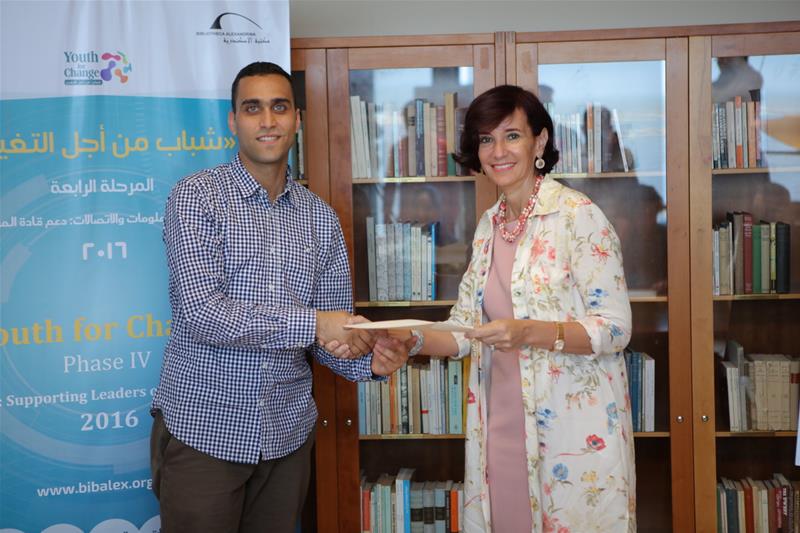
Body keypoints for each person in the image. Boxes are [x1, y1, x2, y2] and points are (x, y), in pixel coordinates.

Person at [149, 61, 410, 533]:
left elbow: (329, 336)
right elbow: (203, 313)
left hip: (287, 436)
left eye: (279, 107)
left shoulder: (320, 218)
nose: (267, 120)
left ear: (297, 119)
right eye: (253, 109)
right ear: (233, 121)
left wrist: (369, 362)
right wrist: (318, 323)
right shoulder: (196, 198)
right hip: (205, 431)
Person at [394, 85, 634, 532]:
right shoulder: (489, 225)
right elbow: (464, 329)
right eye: (486, 139)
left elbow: (616, 328)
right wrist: (409, 339)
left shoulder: (577, 215)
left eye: (512, 136)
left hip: (569, 434)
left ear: (539, 142)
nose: (498, 151)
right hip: (499, 425)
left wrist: (528, 332)